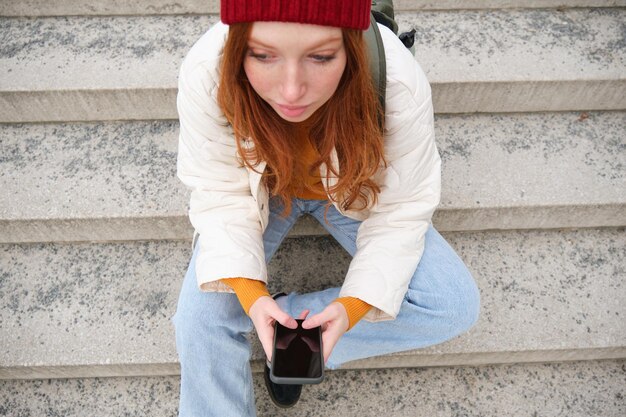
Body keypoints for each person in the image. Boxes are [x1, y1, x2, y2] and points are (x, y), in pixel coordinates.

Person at [173, 0, 480, 415]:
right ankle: (274, 338)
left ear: (350, 45)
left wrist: (349, 308)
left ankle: (288, 336)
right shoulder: (208, 70)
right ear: (240, 43)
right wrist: (248, 295)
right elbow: (219, 191)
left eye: (321, 57)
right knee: (199, 321)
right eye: (263, 56)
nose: (291, 90)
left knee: (451, 304)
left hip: (355, 190)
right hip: (264, 190)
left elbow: (402, 207)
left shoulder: (396, 79)